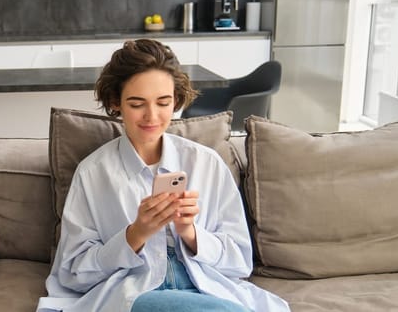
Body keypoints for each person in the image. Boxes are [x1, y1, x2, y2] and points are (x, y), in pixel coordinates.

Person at [37, 39, 289, 312]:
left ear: (176, 100)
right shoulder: (93, 173)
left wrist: (190, 233)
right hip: (137, 291)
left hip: (204, 286)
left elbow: (239, 261)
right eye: (137, 104)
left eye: (163, 102)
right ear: (115, 102)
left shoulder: (206, 164)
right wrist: (135, 235)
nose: (152, 116)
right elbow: (73, 272)